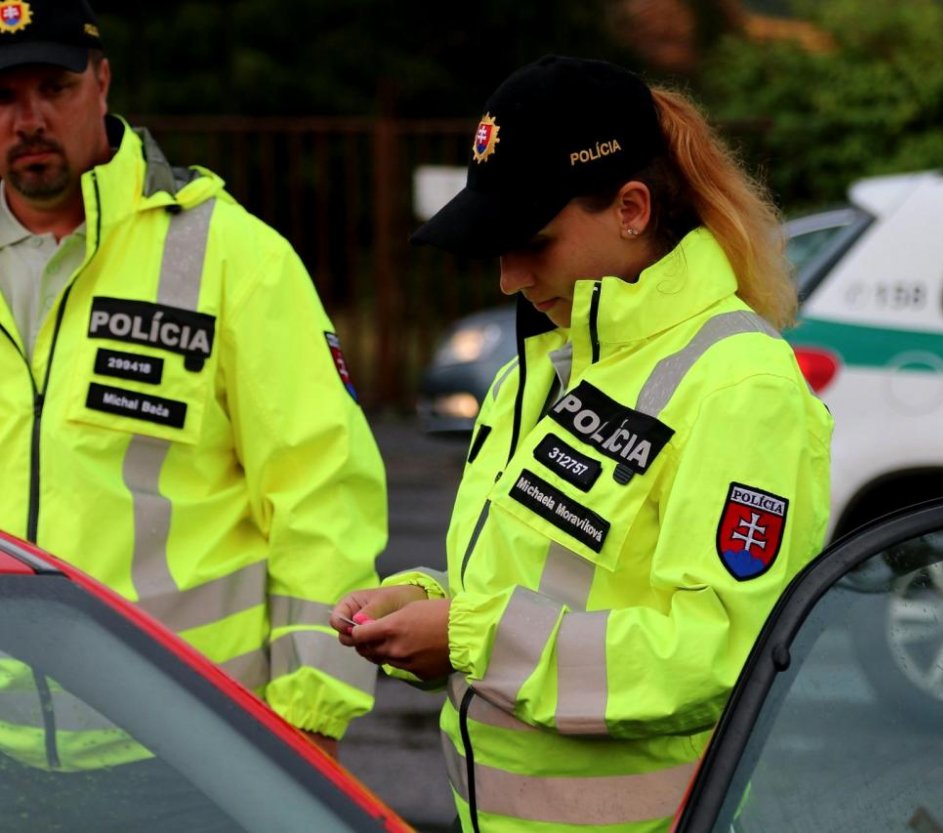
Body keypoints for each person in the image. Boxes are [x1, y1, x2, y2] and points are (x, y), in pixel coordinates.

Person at [334, 54, 833, 832]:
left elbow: (716, 654)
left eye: (532, 240)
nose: (506, 278)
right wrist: (433, 602)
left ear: (632, 207)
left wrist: (468, 636)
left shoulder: (742, 382)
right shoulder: (541, 366)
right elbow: (546, 587)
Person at [0, 0, 386, 769]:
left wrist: (311, 720)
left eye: (55, 87)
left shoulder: (230, 255)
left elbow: (320, 497)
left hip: (190, 748)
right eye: (4, 97)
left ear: (103, 83)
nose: (28, 118)